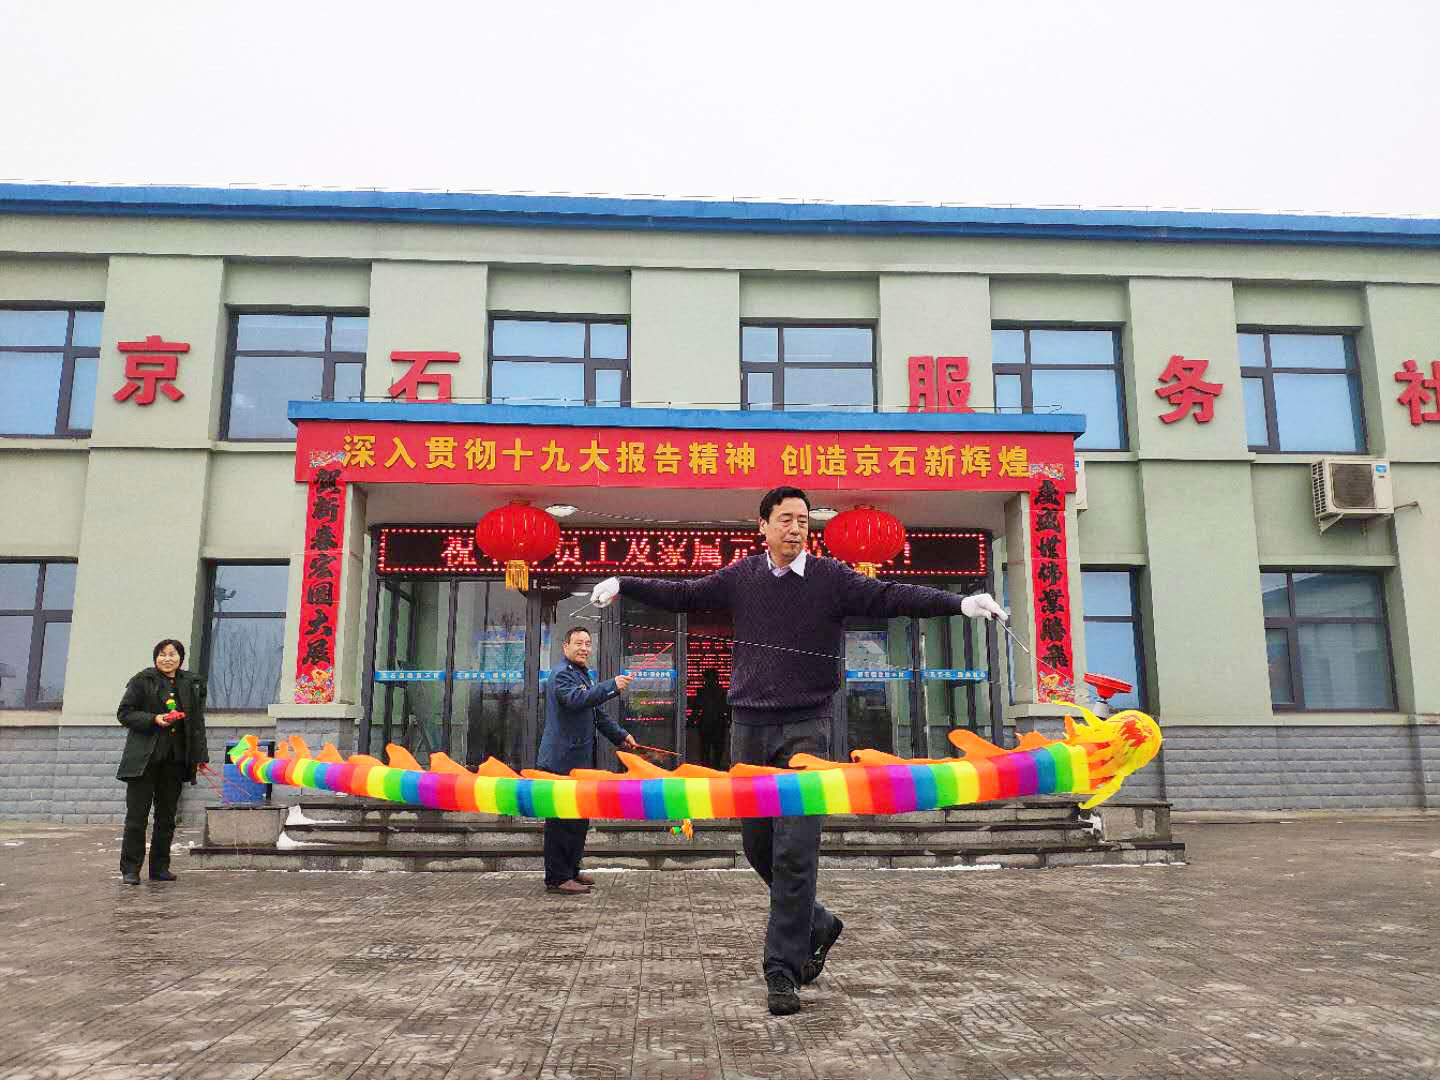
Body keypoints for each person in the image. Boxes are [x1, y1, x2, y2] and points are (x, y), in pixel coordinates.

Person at [590, 486, 1007, 1014]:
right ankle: (818, 922)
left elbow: (892, 596)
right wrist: (623, 582)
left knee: (794, 850)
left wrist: (960, 602)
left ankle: (782, 970)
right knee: (758, 847)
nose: (795, 528)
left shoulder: (831, 579)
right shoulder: (742, 577)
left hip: (808, 726)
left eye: (803, 520)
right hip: (749, 726)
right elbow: (686, 594)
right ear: (762, 526)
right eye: (785, 519)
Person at [537, 625, 638, 895]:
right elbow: (577, 700)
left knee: (578, 818)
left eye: (587, 643)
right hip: (561, 762)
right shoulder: (561, 674)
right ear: (565, 646)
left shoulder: (582, 674)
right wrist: (611, 686)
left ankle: (571, 870)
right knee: (561, 820)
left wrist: (621, 736)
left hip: (579, 763)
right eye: (578, 643)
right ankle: (557, 878)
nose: (584, 648)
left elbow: (596, 714)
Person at [116, 639, 209, 885]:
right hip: (143, 761)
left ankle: (159, 868)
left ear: (181, 658)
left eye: (172, 654)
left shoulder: (191, 683)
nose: (167, 659)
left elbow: (196, 723)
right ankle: (130, 869)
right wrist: (154, 719)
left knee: (166, 818)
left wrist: (200, 756)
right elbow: (124, 713)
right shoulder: (142, 681)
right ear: (155, 657)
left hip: (174, 760)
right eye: (162, 654)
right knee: (137, 818)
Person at [695, 667, 730, 770]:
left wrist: (691, 721)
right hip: (718, 724)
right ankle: (715, 770)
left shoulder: (702, 692)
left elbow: (696, 708)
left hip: (707, 724)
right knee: (716, 751)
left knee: (706, 750)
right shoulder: (722, 691)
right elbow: (727, 709)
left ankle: (708, 770)